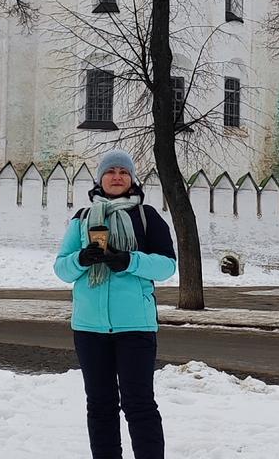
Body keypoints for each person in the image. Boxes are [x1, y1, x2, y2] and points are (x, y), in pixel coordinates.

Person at [53, 149, 177, 459]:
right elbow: (61, 268)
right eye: (111, 171)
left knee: (139, 404)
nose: (117, 176)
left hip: (135, 326)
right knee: (100, 405)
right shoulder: (82, 219)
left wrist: (129, 261)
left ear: (133, 179)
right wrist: (81, 259)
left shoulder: (147, 217)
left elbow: (167, 266)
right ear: (100, 178)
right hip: (89, 328)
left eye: (123, 172)